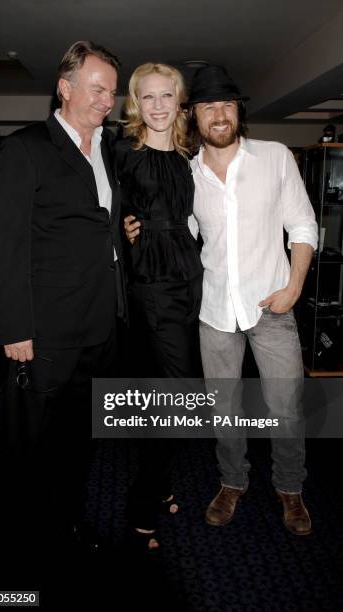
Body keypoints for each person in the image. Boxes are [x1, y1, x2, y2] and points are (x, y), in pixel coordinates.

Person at [126, 65, 318, 536]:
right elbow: (184, 233)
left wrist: (294, 287)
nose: (218, 114)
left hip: (271, 306)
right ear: (193, 114)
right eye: (208, 106)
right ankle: (233, 482)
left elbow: (303, 225)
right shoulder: (186, 173)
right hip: (212, 312)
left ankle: (290, 488)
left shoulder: (275, 157)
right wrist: (139, 230)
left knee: (285, 406)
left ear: (238, 112)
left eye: (227, 104)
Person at [0, 40, 125, 557]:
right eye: (96, 88)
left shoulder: (109, 149)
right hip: (42, 335)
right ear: (65, 89)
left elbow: (101, 226)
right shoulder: (27, 148)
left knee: (77, 445)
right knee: (28, 449)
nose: (107, 100)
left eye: (112, 92)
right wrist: (14, 330)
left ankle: (64, 522)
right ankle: (19, 545)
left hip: (98, 331)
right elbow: (3, 247)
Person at [115, 63, 203, 550]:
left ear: (179, 101)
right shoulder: (123, 152)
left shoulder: (190, 154)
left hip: (190, 277)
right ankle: (141, 507)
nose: (157, 106)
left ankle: (161, 481)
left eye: (166, 96)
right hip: (150, 280)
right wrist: (125, 232)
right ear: (135, 102)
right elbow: (102, 208)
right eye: (147, 97)